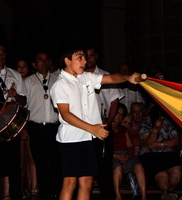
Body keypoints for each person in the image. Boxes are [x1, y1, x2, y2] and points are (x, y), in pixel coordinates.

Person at [50, 45, 140, 200]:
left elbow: (111, 78)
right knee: (70, 182)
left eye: (85, 57)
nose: (84, 61)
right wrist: (92, 128)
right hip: (70, 139)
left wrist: (127, 77)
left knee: (87, 181)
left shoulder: (86, 77)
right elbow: (65, 115)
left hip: (88, 138)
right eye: (79, 57)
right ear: (67, 61)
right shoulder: (60, 84)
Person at [0, 44, 27, 200]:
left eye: (3, 52)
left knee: (13, 164)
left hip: (10, 120)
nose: (0, 55)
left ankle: (14, 195)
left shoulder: (15, 74)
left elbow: (24, 100)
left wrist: (16, 95)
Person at [85, 46, 124, 200]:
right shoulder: (78, 77)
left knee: (104, 166)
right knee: (86, 167)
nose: (89, 59)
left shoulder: (106, 75)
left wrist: (109, 121)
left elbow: (114, 102)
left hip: (103, 126)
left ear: (96, 57)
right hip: (85, 128)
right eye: (86, 56)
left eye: (92, 55)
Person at [24, 50, 62, 200]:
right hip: (36, 127)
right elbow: (23, 106)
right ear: (34, 64)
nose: (43, 62)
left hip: (55, 126)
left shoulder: (58, 79)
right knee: (40, 163)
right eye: (40, 60)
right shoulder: (28, 81)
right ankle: (45, 193)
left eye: (46, 60)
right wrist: (24, 127)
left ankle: (57, 193)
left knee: (56, 162)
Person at [139, 103, 182, 200]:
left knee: (176, 168)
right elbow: (148, 143)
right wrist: (155, 129)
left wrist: (159, 144)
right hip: (151, 154)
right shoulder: (145, 122)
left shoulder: (169, 121)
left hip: (169, 152)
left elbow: (176, 140)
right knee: (161, 172)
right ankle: (169, 193)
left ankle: (170, 190)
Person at [111, 103, 146, 200]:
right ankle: (118, 196)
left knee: (138, 166)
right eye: (117, 113)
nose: (119, 116)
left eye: (121, 114)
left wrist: (129, 155)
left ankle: (144, 196)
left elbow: (130, 146)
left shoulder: (123, 129)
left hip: (126, 154)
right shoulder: (105, 127)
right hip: (112, 155)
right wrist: (116, 156)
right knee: (117, 167)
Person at [16, 59, 38, 199]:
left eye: (24, 66)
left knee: (31, 158)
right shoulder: (15, 83)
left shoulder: (31, 82)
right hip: (16, 125)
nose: (21, 69)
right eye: (18, 67)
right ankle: (21, 188)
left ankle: (34, 188)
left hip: (29, 123)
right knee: (19, 160)